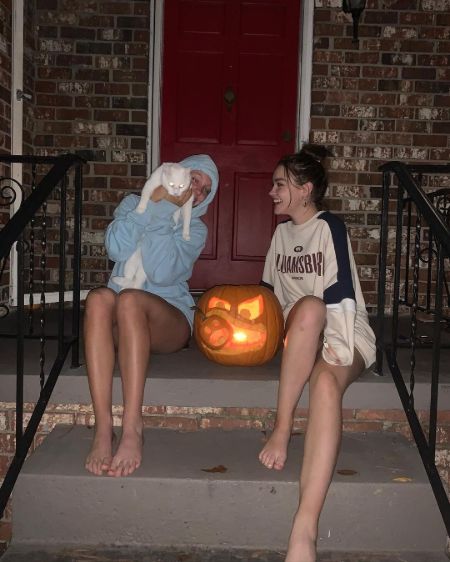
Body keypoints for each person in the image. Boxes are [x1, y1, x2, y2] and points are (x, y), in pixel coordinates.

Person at [258, 144, 376, 562]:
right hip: (303, 332)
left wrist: (336, 354)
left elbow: (340, 293)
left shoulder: (329, 228)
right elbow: (268, 296)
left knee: (325, 381)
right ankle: (283, 427)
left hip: (344, 329)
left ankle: (303, 532)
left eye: (279, 185)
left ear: (305, 190)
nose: (271, 192)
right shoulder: (280, 235)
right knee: (306, 310)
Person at [84, 154, 219, 478]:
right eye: (195, 180)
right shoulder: (133, 204)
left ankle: (133, 427)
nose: (198, 191)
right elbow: (116, 249)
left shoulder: (194, 228)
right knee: (99, 299)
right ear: (177, 174)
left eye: (206, 190)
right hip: (123, 312)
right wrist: (153, 204)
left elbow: (161, 273)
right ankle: (103, 429)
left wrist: (163, 211)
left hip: (167, 319)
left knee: (130, 300)